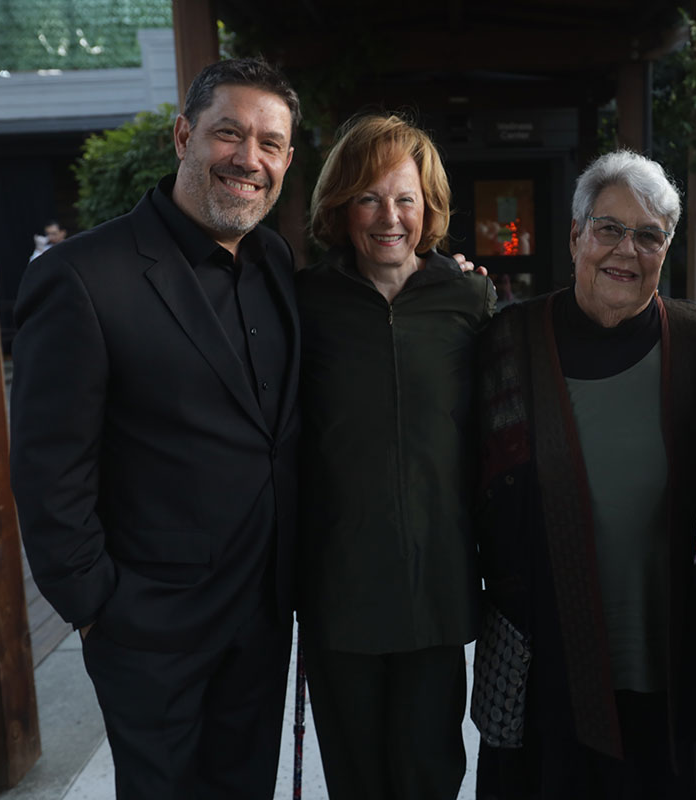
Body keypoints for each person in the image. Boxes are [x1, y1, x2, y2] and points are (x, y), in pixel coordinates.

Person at [10, 57, 302, 800]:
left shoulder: (276, 261)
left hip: (264, 613)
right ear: (184, 135)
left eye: (270, 143)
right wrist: (97, 608)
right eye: (228, 133)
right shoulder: (81, 277)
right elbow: (49, 471)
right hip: (149, 625)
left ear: (288, 161)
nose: (249, 158)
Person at [474, 150, 696, 799]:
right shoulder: (508, 340)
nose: (626, 249)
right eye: (609, 228)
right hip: (537, 653)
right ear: (575, 236)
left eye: (649, 235)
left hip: (662, 650)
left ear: (666, 249)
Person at [295, 114, 495, 800]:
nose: (389, 217)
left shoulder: (470, 296)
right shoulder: (304, 303)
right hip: (337, 583)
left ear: (428, 208)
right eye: (369, 198)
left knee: (430, 771)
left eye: (405, 199)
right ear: (340, 207)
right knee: (356, 776)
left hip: (435, 580)